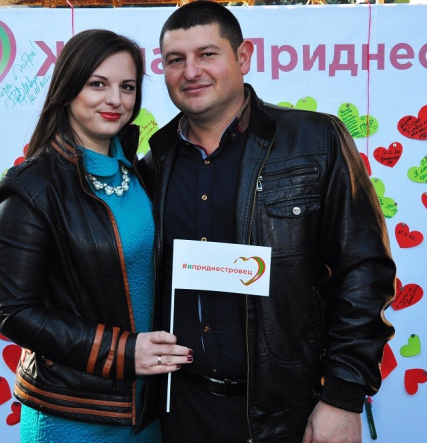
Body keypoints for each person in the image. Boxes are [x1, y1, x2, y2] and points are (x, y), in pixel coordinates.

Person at [144, 2, 396, 442]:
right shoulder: (154, 165)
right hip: (181, 409)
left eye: (207, 54)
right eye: (175, 60)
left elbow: (364, 271)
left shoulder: (316, 141)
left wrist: (343, 396)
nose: (191, 72)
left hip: (288, 414)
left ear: (243, 57)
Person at [0, 29, 192, 442]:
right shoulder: (33, 186)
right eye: (98, 84)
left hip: (148, 409)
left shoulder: (140, 172)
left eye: (127, 87)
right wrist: (122, 352)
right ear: (68, 89)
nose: (115, 99)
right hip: (73, 412)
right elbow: (12, 311)